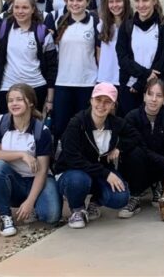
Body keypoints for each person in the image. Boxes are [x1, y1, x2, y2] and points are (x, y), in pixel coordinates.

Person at [54, 83, 138, 228]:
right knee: (79, 180)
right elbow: (73, 159)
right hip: (73, 172)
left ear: (113, 105)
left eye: (107, 101)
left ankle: (95, 202)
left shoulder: (115, 123)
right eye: (98, 99)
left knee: (121, 197)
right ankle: (77, 209)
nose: (101, 105)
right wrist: (106, 174)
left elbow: (135, 137)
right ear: (91, 100)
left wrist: (119, 148)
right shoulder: (77, 123)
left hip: (98, 172)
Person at [0, 84, 61, 237]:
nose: (14, 103)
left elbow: (42, 171)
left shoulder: (41, 131)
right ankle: (5, 216)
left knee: (51, 217)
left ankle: (32, 206)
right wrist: (22, 154)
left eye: (19, 99)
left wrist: (30, 202)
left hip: (36, 179)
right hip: (13, 181)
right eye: (10, 100)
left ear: (31, 102)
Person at [121, 78, 164, 216]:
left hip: (159, 166)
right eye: (150, 94)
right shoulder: (132, 117)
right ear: (144, 96)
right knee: (135, 153)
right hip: (136, 167)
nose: (153, 99)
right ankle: (135, 195)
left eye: (159, 96)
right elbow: (142, 149)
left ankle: (157, 184)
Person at [50, 0, 100, 144]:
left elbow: (99, 53)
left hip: (87, 82)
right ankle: (62, 156)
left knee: (84, 126)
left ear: (87, 2)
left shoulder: (95, 22)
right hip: (63, 82)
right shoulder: (59, 21)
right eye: (71, 0)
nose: (75, 3)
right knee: (61, 126)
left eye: (79, 0)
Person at [0, 0, 58, 114]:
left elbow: (52, 66)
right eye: (17, 7)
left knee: (32, 124)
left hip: (35, 87)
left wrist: (50, 99)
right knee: (7, 124)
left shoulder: (42, 31)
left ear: (33, 9)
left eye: (25, 7)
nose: (20, 11)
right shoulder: (3, 27)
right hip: (7, 87)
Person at [116, 0, 164, 115]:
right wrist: (145, 74)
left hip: (155, 91)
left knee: (156, 126)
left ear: (154, 1)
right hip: (129, 88)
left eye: (145, 0)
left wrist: (141, 83)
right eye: (137, 1)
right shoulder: (127, 26)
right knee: (130, 125)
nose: (141, 5)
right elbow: (122, 58)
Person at [97, 0, 130, 87]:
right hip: (105, 78)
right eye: (111, 2)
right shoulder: (101, 25)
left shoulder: (131, 25)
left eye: (118, 1)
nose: (114, 5)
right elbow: (99, 52)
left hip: (125, 80)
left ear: (125, 2)